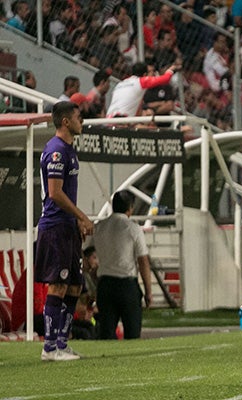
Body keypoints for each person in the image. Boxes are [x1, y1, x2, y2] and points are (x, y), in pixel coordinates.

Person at [36, 101, 94, 361]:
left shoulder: (69, 150)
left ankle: (62, 342)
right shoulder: (57, 151)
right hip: (55, 227)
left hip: (67, 226)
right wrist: (82, 215)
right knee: (58, 285)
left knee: (73, 286)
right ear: (66, 122)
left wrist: (77, 221)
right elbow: (55, 193)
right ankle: (49, 348)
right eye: (78, 117)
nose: (82, 121)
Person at [90, 190, 152, 340]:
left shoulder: (99, 227)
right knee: (132, 333)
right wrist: (148, 291)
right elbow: (143, 261)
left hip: (105, 285)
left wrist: (95, 279)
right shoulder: (133, 229)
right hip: (127, 286)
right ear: (130, 208)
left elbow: (88, 256)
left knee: (106, 333)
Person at [106, 61, 181, 118]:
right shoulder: (141, 81)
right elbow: (166, 79)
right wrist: (172, 68)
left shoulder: (120, 84)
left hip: (109, 118)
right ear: (145, 75)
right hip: (121, 120)